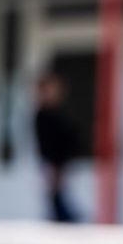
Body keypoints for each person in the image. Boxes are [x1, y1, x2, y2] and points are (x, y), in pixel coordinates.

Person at [33, 73, 82, 223]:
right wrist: (52, 164)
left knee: (60, 195)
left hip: (61, 161)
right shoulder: (43, 115)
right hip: (52, 162)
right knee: (55, 196)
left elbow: (70, 136)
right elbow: (45, 143)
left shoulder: (59, 113)